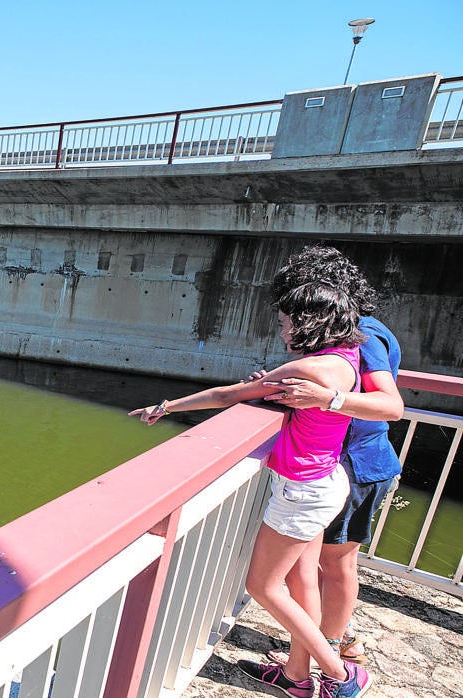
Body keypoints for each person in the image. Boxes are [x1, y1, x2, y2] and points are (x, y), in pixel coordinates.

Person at [129, 280, 372, 698]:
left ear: (306, 322)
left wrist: (166, 407)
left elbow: (227, 395)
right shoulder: (346, 359)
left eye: (283, 323)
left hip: (302, 489)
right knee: (302, 581)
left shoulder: (304, 370)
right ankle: (296, 678)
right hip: (326, 480)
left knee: (264, 586)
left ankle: (340, 676)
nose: (281, 332)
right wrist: (275, 388)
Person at [253, 246, 404, 669]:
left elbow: (390, 406)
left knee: (335, 563)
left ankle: (335, 650)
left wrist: (326, 397)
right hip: (345, 461)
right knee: (315, 565)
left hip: (357, 462)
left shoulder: (364, 334)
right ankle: (313, 656)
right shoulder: (364, 330)